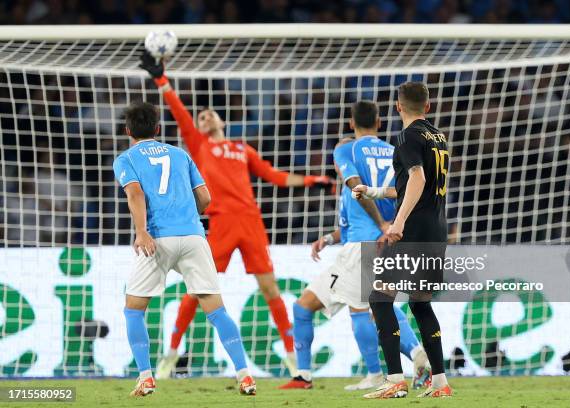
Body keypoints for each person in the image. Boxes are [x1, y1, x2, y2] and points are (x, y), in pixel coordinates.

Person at [138, 51, 332, 378]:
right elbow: (179, 111)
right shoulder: (199, 146)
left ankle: (291, 356)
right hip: (222, 224)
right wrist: (162, 79)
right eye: (200, 118)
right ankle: (171, 352)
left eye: (209, 115)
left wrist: (314, 180)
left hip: (252, 223)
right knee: (196, 290)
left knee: (271, 290)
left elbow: (275, 176)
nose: (204, 118)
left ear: (222, 121)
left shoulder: (243, 149)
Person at [279, 102, 430, 391]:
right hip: (379, 241)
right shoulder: (395, 151)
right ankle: (304, 375)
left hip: (365, 244)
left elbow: (358, 190)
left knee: (363, 307)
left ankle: (401, 360)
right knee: (305, 307)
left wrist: (382, 225)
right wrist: (330, 238)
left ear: (350, 123)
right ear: (380, 122)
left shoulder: (346, 149)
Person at [113, 102, 256, 396]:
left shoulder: (126, 158)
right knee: (216, 310)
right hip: (194, 237)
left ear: (128, 131)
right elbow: (205, 198)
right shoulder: (180, 155)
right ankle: (244, 375)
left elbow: (136, 193)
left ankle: (146, 377)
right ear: (158, 128)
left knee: (133, 310)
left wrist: (141, 232)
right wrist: (188, 217)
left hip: (157, 239)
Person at [354, 82, 452, 398]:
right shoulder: (438, 137)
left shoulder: (407, 136)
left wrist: (398, 222)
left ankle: (395, 379)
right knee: (420, 303)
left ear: (398, 107)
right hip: (437, 229)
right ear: (428, 105)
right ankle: (440, 383)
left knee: (379, 297)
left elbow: (418, 179)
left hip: (414, 228)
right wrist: (375, 191)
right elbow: (414, 184)